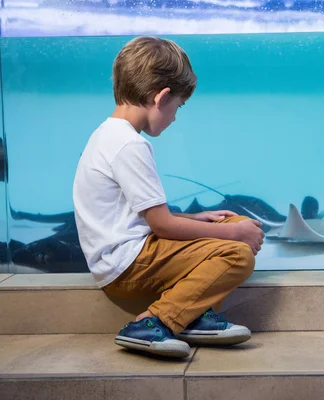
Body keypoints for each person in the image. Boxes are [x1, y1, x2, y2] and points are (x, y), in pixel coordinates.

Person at [72, 36, 264, 359]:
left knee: (236, 222)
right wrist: (232, 234)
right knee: (239, 254)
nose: (176, 117)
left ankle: (191, 315)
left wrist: (198, 219)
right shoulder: (130, 145)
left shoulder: (108, 134)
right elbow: (161, 226)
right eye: (178, 106)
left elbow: (142, 217)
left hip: (126, 258)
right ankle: (156, 321)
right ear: (161, 98)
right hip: (129, 266)